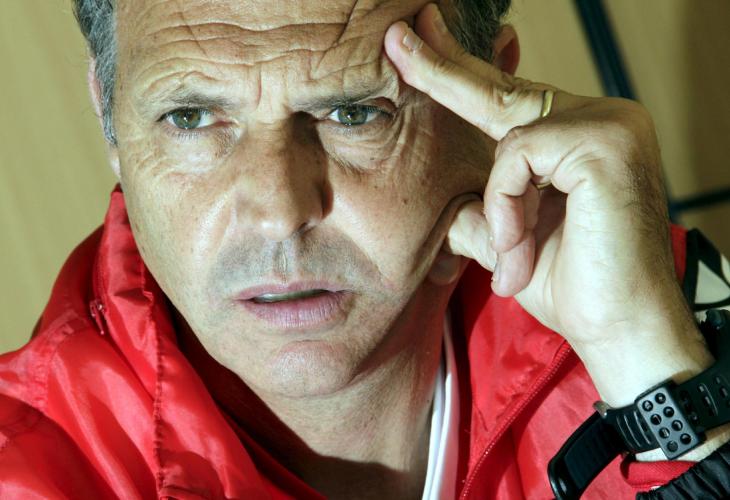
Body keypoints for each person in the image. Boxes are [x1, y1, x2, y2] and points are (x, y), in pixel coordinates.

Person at [1, 0, 730, 498]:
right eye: (190, 117)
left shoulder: (655, 318)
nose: (280, 214)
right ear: (109, 117)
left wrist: (655, 374)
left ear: (488, 92)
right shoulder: (25, 471)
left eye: (353, 112)